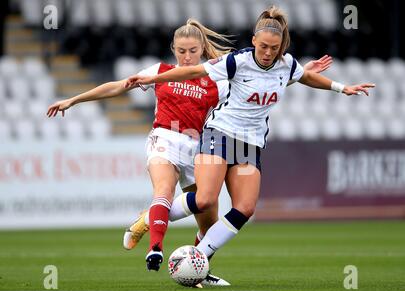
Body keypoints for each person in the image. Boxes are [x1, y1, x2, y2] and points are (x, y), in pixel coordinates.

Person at [47, 18, 332, 285]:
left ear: (201, 50)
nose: (186, 56)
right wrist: (74, 100)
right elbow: (117, 87)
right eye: (181, 51)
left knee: (208, 216)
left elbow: (255, 87)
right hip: (165, 139)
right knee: (164, 191)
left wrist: (302, 73)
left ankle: (198, 268)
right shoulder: (160, 72)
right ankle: (155, 247)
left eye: (192, 51)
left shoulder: (217, 78)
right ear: (173, 49)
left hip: (199, 147)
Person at [126, 5, 375, 274]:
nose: (269, 53)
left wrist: (341, 88)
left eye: (275, 48)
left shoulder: (287, 64)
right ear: (254, 40)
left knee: (245, 208)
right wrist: (154, 77)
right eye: (264, 46)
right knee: (205, 200)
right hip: (220, 133)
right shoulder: (236, 61)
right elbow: (192, 72)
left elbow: (306, 76)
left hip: (249, 143)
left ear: (282, 46)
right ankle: (150, 219)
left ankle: (199, 259)